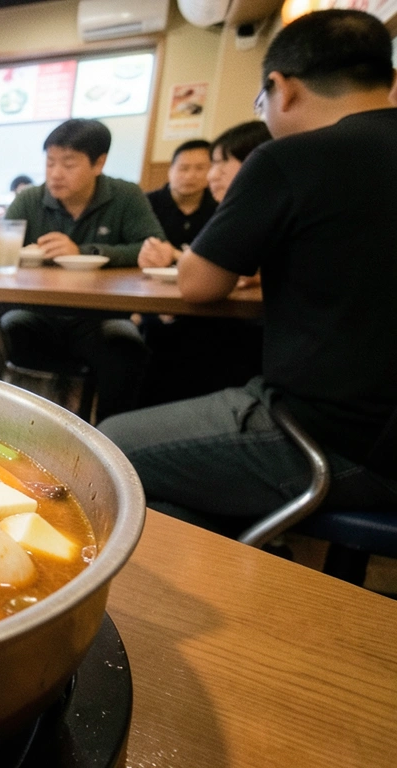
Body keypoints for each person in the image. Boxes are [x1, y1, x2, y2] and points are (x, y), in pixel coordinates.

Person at [99, 10, 397, 535]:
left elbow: (197, 283)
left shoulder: (290, 159)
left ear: (281, 89)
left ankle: (240, 590)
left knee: (111, 450)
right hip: (382, 437)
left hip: (331, 439)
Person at [0, 119, 165, 421]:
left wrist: (86, 252)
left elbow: (152, 248)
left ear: (98, 163)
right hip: (39, 314)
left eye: (68, 164)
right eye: (50, 163)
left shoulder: (125, 196)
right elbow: (0, 250)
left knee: (128, 350)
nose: (55, 174)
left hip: (102, 318)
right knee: (2, 331)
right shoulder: (30, 200)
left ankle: (110, 437)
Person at [138, 123, 272, 407]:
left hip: (260, 359)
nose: (211, 175)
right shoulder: (150, 202)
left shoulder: (239, 207)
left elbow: (195, 285)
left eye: (220, 164)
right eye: (213, 165)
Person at [138, 139, 216, 268]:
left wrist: (175, 254)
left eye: (200, 168)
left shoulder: (219, 206)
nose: (190, 176)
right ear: (170, 170)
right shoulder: (145, 203)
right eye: (183, 168)